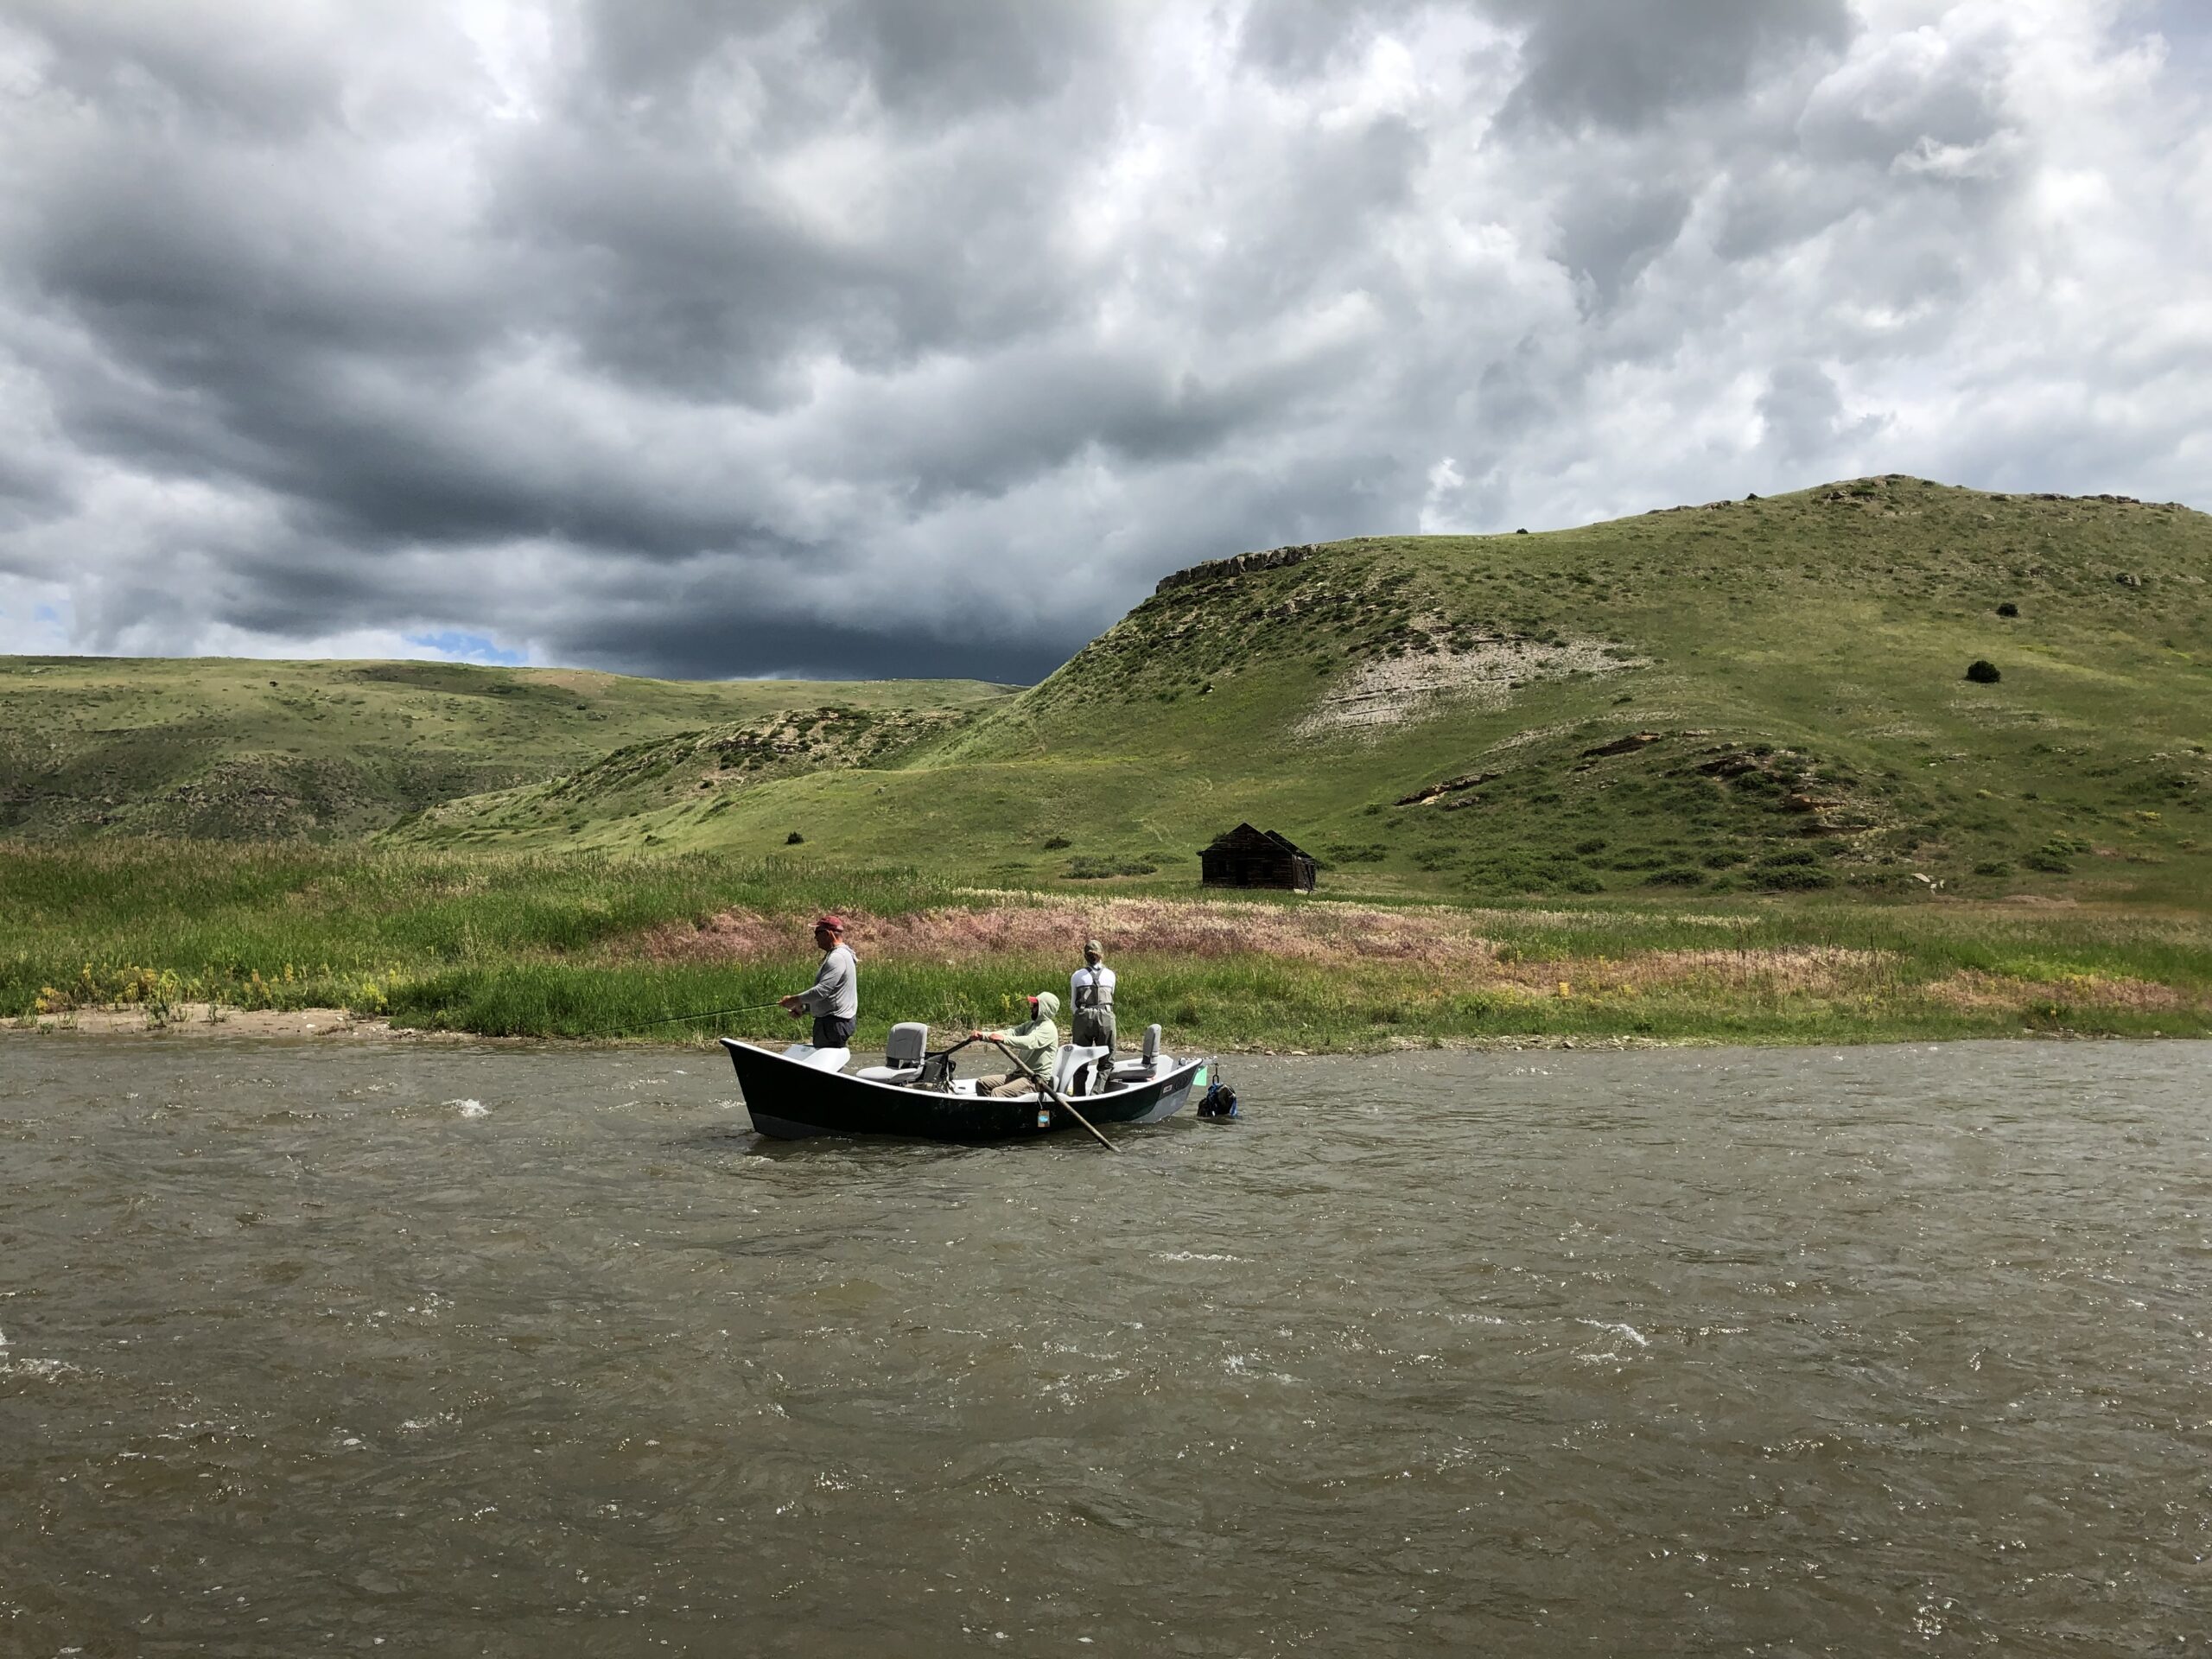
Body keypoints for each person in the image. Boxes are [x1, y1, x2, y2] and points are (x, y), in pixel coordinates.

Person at [779, 914, 857, 1050]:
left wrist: (794, 1000)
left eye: (817, 933)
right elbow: (833, 995)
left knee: (824, 1066)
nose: (815, 937)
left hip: (833, 1024)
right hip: (832, 1023)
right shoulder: (840, 955)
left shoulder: (837, 958)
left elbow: (822, 991)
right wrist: (804, 1008)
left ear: (827, 934)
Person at [969, 991, 1059, 1097]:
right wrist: (983, 1035)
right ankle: (991, 1111)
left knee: (998, 1093)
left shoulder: (1048, 1028)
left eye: (1035, 1006)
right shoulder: (1031, 1025)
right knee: (982, 1083)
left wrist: (1004, 1039)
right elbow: (1011, 1032)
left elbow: (1030, 1041)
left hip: (1034, 1080)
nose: (1031, 1008)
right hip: (1019, 1075)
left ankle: (998, 1113)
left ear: (1044, 1009)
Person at [1069, 938, 1116, 1055]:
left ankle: (1080, 1073)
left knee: (1079, 1056)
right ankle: (1104, 1074)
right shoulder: (1111, 975)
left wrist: (1081, 1016)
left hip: (1084, 1016)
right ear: (1102, 955)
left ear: (1085, 956)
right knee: (1107, 1056)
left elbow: (1073, 1004)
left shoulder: (1077, 975)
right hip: (1105, 1015)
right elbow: (1111, 996)